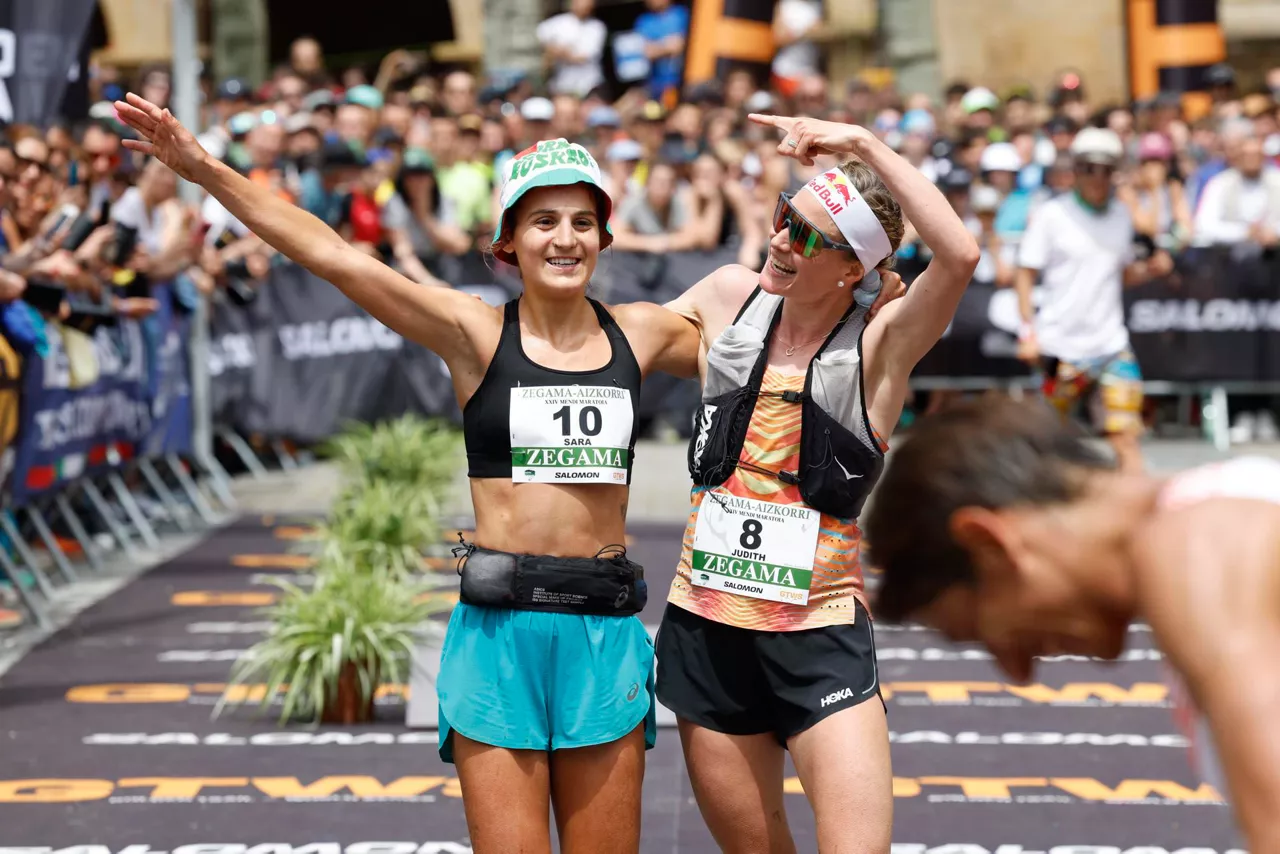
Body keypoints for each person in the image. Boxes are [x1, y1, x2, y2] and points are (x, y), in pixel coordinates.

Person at [111, 92, 704, 854]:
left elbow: (764, 333)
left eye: (583, 222)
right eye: (544, 222)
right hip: (499, 637)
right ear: (508, 242)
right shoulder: (472, 332)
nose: (565, 239)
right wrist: (202, 169)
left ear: (604, 238)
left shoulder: (646, 332)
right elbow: (332, 255)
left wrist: (871, 284)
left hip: (604, 635)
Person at [654, 113, 980, 851]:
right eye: (780, 219)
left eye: (803, 237)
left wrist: (863, 144)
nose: (778, 240)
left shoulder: (881, 343)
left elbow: (958, 255)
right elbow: (616, 342)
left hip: (817, 633)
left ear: (853, 269)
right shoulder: (727, 295)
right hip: (706, 629)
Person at [862, 396, 1280, 853]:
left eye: (983, 632)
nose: (1018, 670)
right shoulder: (1223, 517)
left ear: (989, 543)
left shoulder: (1198, 549)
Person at [1014, 127, 1173, 473]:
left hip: (1112, 346)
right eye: (1088, 167)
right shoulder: (1052, 214)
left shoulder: (1121, 216)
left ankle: (1137, 515)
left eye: (1105, 168)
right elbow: (1025, 273)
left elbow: (1122, 273)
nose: (1097, 177)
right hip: (1059, 347)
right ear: (1075, 170)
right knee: (1047, 441)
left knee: (1125, 436)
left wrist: (1150, 271)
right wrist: (1028, 331)